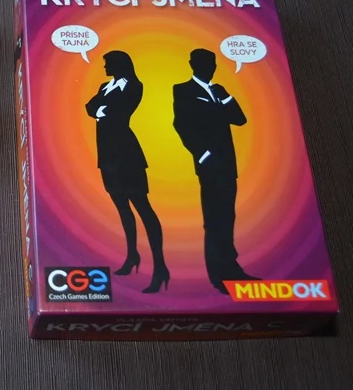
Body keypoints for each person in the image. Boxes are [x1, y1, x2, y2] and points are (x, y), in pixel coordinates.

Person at [172, 48, 259, 295]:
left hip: (228, 165)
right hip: (209, 166)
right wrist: (202, 154)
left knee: (227, 217)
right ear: (192, 64)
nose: (210, 68)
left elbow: (239, 119)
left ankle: (232, 269)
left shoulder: (218, 91)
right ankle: (218, 276)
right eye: (204, 63)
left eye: (212, 63)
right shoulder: (183, 90)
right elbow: (181, 124)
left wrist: (226, 96)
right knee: (214, 220)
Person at [85, 51, 169, 293]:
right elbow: (90, 107)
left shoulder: (134, 85)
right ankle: (132, 255)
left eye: (107, 64)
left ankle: (160, 267)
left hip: (127, 155)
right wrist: (102, 110)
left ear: (119, 64)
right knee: (121, 206)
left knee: (143, 207)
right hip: (107, 156)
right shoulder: (105, 86)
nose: (104, 68)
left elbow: (118, 112)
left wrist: (101, 110)